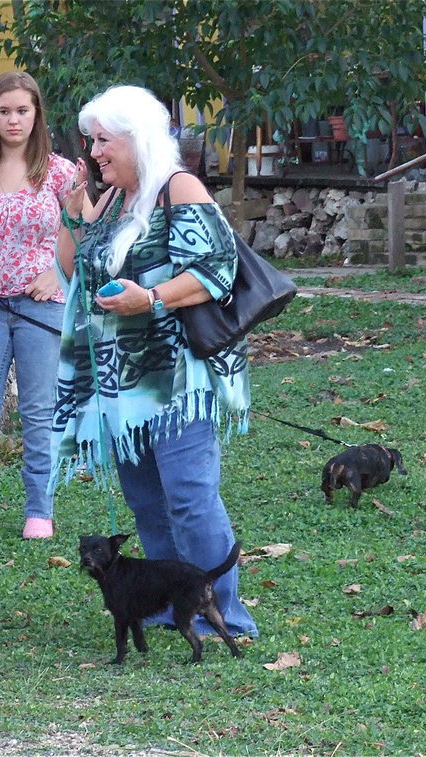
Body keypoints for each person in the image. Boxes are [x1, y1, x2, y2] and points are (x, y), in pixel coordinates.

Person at [51, 84, 258, 638]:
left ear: (136, 138)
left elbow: (218, 267)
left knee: (190, 499)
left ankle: (225, 615)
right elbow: (75, 275)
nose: (94, 152)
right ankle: (175, 604)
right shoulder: (117, 200)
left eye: (103, 140)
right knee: (147, 503)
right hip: (123, 385)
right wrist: (74, 216)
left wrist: (151, 298)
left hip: (178, 378)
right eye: (90, 141)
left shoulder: (178, 188)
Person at [0, 71, 87, 542]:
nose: (13, 120)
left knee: (39, 410)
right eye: (4, 111)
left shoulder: (61, 171)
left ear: (36, 114)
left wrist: (59, 270)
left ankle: (39, 510)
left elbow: (86, 232)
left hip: (40, 305)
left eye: (22, 110)